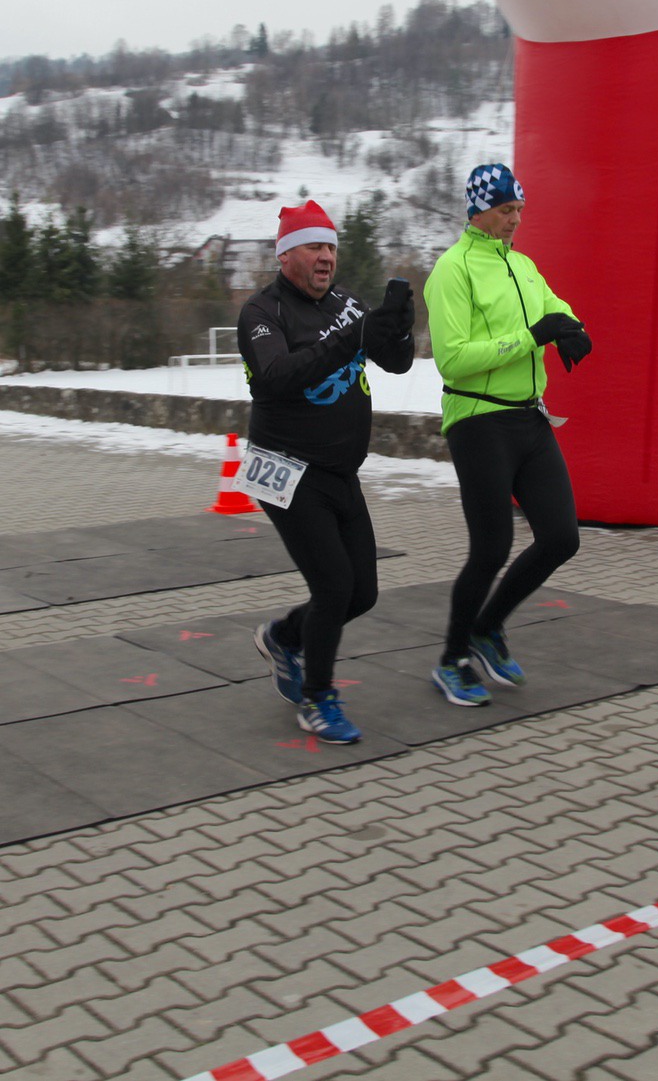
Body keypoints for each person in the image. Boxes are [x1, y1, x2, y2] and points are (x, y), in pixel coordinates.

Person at [237, 199, 414, 743]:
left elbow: (397, 363)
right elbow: (277, 378)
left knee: (362, 593)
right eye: (314, 246)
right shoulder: (262, 312)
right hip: (284, 468)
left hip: (339, 470)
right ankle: (317, 699)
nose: (326, 257)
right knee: (335, 586)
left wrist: (398, 329)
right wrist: (352, 337)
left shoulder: (347, 303)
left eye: (332, 247)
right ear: (286, 255)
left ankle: (285, 637)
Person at [423, 163, 592, 706]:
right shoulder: (452, 270)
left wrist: (572, 330)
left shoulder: (522, 265)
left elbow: (554, 308)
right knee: (491, 548)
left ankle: (487, 627)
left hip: (529, 418)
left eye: (519, 209)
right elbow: (452, 360)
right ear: (478, 211)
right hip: (478, 421)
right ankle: (451, 661)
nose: (515, 220)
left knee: (562, 538)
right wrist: (531, 338)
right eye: (505, 210)